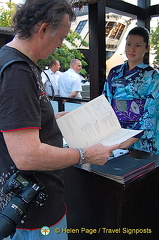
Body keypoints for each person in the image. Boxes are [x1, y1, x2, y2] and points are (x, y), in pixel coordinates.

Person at [0, 0, 120, 239]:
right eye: (62, 37)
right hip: (34, 215)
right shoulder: (18, 72)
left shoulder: (11, 60)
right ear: (43, 29)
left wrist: (53, 117)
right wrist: (85, 154)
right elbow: (27, 155)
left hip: (32, 203)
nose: (60, 45)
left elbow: (15, 121)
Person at [103, 26, 159, 154]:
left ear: (147, 48)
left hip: (141, 136)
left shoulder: (153, 76)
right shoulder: (115, 72)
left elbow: (152, 110)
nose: (131, 49)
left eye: (138, 45)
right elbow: (106, 100)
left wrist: (131, 138)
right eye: (128, 44)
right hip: (116, 131)